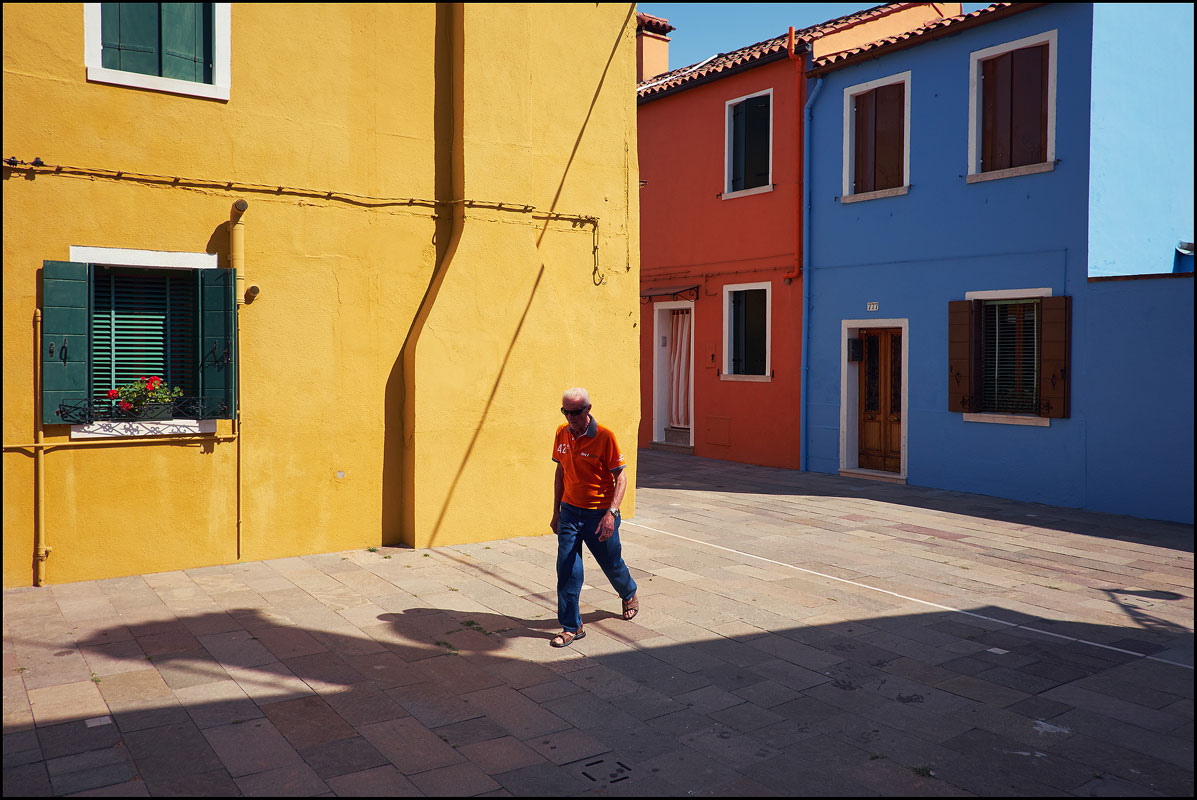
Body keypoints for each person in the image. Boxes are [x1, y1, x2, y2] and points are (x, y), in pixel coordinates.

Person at [549, 387, 639, 647]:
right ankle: (571, 626)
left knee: (611, 564)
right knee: (567, 568)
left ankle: (628, 592)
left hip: (599, 514)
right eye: (565, 411)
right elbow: (560, 472)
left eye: (575, 412)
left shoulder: (604, 436)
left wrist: (611, 513)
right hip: (569, 512)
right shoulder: (561, 432)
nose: (570, 417)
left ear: (588, 409)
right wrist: (556, 511)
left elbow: (621, 476)